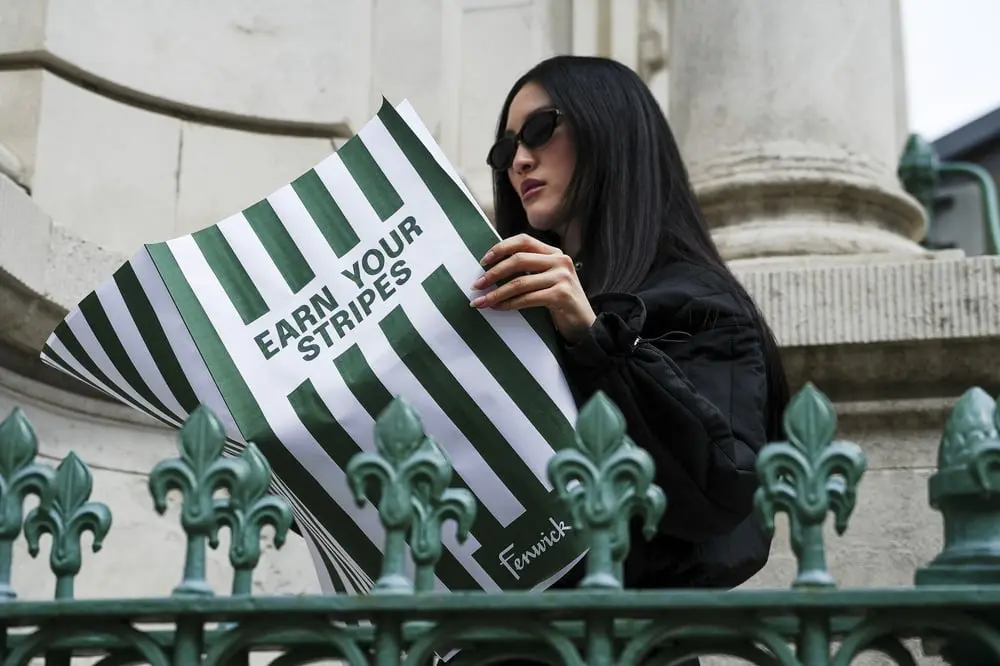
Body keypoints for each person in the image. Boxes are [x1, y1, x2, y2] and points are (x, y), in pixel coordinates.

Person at [470, 55, 791, 664]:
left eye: (539, 131)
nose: (519, 161)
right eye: (505, 148)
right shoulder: (514, 313)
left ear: (609, 128)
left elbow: (721, 489)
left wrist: (594, 337)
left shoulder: (699, 302)